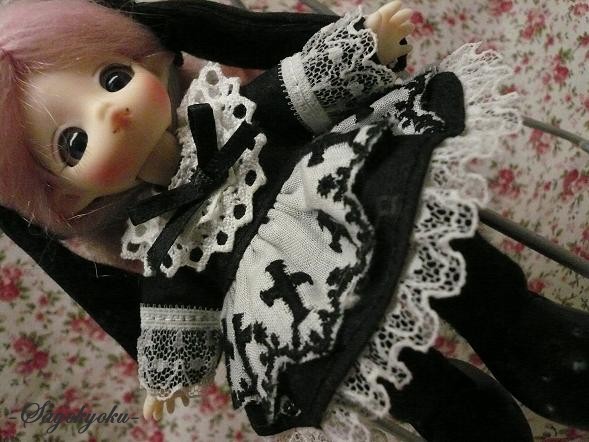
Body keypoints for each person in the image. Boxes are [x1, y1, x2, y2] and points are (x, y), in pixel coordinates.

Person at [1, 0, 587, 439]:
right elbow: (175, 302)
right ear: (68, 200)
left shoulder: (222, 113)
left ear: (146, 59)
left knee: (437, 249)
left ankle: (526, 335)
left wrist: (365, 46)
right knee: (365, 359)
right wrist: (166, 374)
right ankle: (457, 410)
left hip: (346, 197)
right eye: (74, 143)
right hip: (294, 303)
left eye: (113, 79)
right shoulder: (164, 243)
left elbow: (290, 92)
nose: (113, 113)